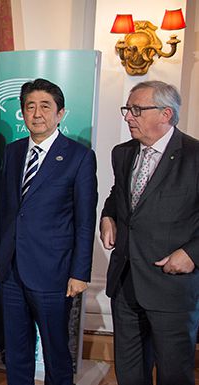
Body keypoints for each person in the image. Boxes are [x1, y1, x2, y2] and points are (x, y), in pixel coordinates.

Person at [0, 78, 97, 385]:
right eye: (30, 107)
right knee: (15, 350)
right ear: (23, 113)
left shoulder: (79, 157)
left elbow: (84, 220)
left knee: (55, 353)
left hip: (54, 273)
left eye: (45, 106)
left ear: (60, 113)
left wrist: (80, 273)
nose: (36, 113)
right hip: (11, 271)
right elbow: (7, 211)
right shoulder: (12, 153)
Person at [100, 80, 199, 385]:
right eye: (127, 109)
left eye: (136, 109)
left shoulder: (195, 156)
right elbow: (119, 195)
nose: (128, 116)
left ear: (166, 114)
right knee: (129, 373)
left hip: (171, 287)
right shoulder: (123, 153)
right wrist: (108, 216)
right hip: (126, 283)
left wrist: (192, 254)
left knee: (173, 375)